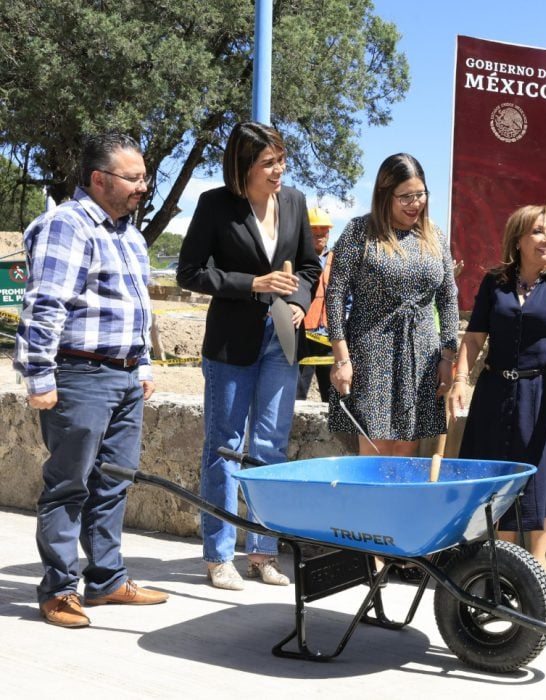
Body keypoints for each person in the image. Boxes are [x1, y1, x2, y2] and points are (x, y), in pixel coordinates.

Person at [14, 134, 169, 627]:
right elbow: (44, 305)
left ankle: (106, 581)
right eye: (134, 177)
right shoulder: (67, 224)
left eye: (145, 177)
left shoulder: (130, 234)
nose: (143, 187)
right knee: (68, 485)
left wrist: (141, 366)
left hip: (124, 377)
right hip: (79, 373)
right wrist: (39, 375)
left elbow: (135, 309)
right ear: (99, 179)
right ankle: (59, 589)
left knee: (114, 484)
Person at [177, 122, 321, 591]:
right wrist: (252, 284)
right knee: (224, 446)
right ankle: (218, 555)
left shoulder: (295, 202)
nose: (279, 171)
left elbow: (309, 266)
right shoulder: (215, 205)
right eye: (268, 163)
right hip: (230, 342)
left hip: (282, 338)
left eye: (281, 161)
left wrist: (299, 301)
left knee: (270, 448)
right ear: (244, 167)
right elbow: (190, 272)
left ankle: (263, 553)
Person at [450, 204, 546, 570]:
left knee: (540, 476)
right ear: (518, 238)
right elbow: (474, 335)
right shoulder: (494, 282)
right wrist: (460, 379)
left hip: (543, 394)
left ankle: (537, 567)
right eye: (538, 231)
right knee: (497, 476)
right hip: (495, 392)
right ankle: (503, 566)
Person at [325, 153, 458, 455]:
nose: (416, 203)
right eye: (406, 197)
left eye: (420, 194)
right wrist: (342, 359)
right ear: (385, 195)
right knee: (376, 451)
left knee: (406, 453)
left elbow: (449, 298)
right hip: (372, 355)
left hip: (422, 357)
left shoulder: (435, 234)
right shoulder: (360, 232)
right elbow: (334, 296)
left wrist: (448, 358)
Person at [297, 207, 334, 401]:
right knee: (296, 393)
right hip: (302, 335)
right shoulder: (297, 260)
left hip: (329, 337)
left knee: (333, 396)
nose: (320, 235)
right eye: (314, 232)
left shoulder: (337, 262)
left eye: (324, 231)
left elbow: (348, 300)